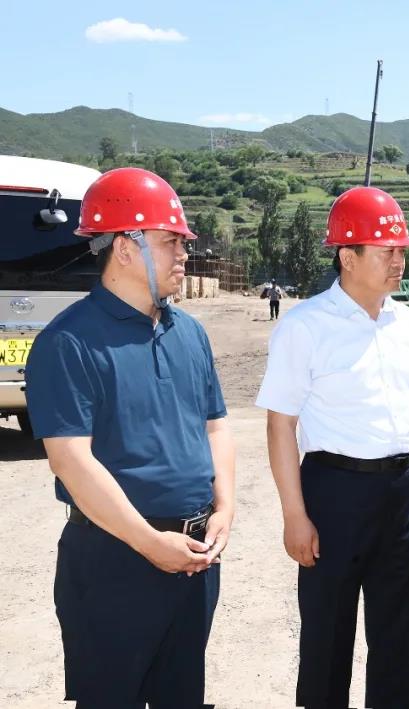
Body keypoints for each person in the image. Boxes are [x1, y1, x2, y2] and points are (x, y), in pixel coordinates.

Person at [24, 167, 236, 708]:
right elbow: (71, 461)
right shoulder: (68, 342)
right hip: (113, 561)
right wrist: (149, 543)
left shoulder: (189, 332)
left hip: (193, 556)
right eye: (170, 242)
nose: (185, 254)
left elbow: (215, 424)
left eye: (183, 242)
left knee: (182, 696)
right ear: (124, 247)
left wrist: (225, 508)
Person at [257, 186, 409, 709]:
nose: (399, 261)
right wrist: (294, 515)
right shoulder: (304, 325)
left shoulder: (407, 323)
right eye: (387, 251)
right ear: (347, 256)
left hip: (405, 490)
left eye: (402, 251)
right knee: (327, 633)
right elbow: (280, 425)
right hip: (335, 492)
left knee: (400, 635)